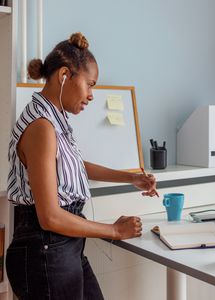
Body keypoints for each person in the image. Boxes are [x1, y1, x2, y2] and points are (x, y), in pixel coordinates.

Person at [6, 32, 157, 300]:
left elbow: (75, 166)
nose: (91, 95)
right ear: (65, 75)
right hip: (45, 249)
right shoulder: (42, 126)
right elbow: (50, 216)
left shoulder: (55, 121)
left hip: (62, 247)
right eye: (90, 84)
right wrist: (114, 231)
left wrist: (131, 178)